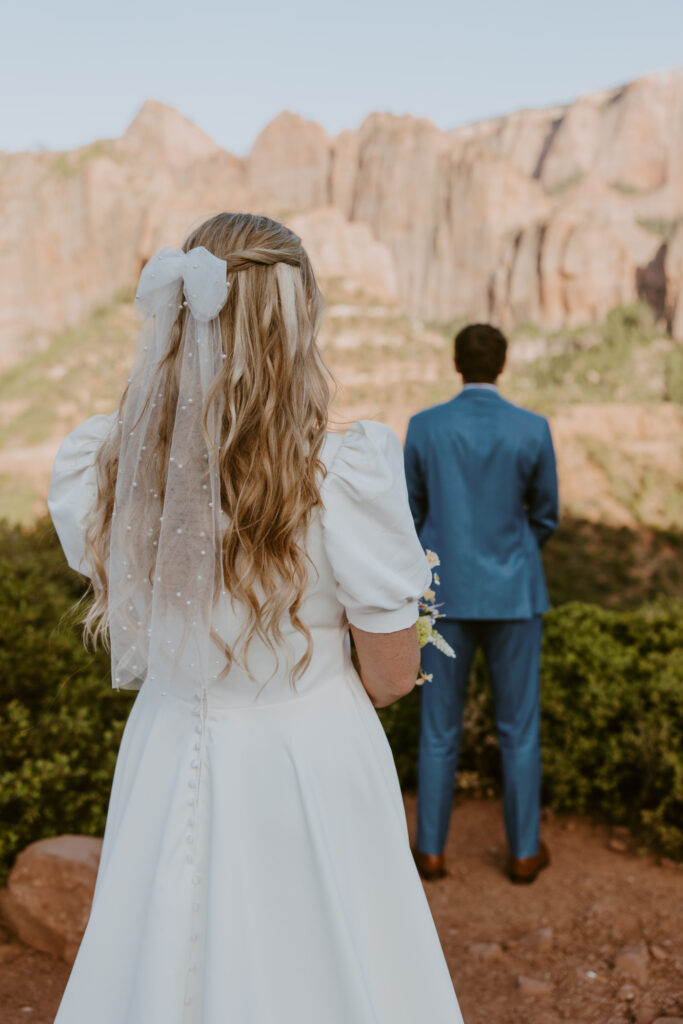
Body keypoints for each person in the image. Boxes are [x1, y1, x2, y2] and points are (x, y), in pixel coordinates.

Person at [48, 213, 464, 1023]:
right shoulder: (346, 470)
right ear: (296, 321)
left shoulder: (104, 464)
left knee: (159, 948)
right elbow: (385, 677)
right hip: (305, 755)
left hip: (167, 743)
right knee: (328, 960)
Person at [404, 323, 558, 885]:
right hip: (515, 595)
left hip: (441, 596)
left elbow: (410, 514)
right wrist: (514, 557)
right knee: (519, 727)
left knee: (438, 726)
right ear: (503, 363)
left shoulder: (424, 427)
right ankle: (522, 852)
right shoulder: (533, 429)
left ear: (456, 363)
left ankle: (431, 852)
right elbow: (546, 514)